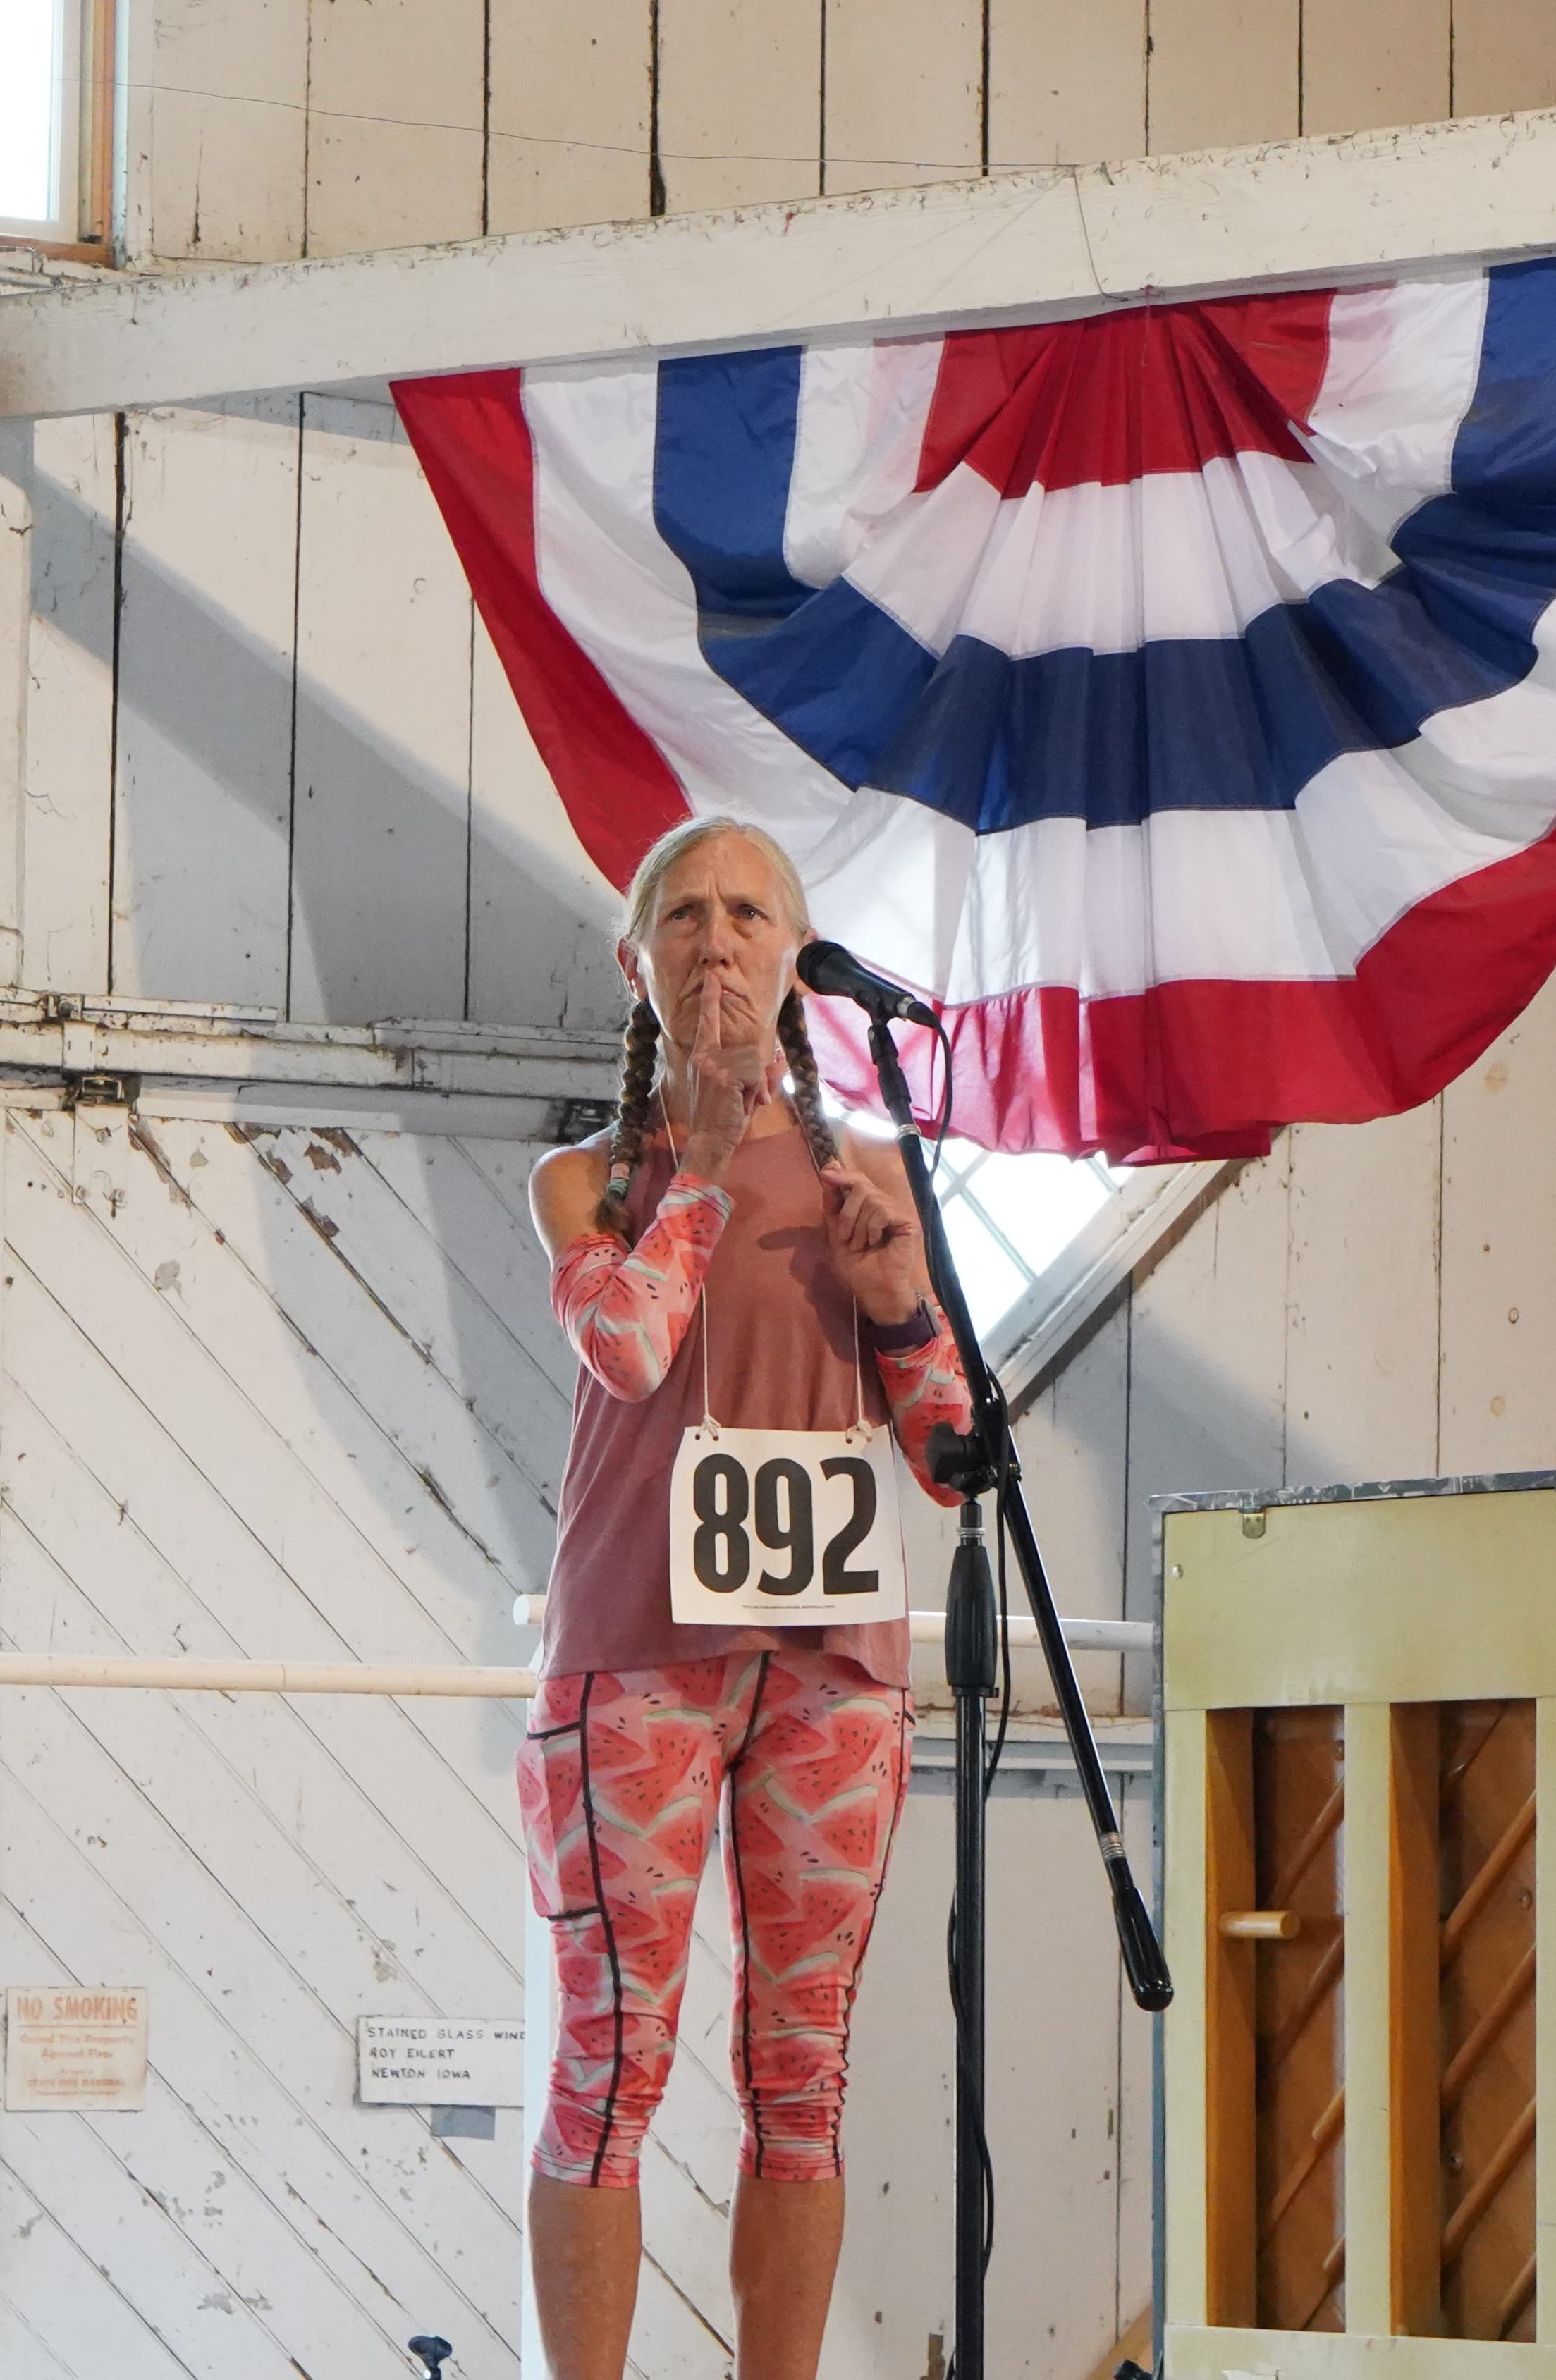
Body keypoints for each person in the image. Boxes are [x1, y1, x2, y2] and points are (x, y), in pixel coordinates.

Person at [518, 814, 972, 2380]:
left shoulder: (874, 1171)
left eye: (750, 914)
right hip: (637, 1664)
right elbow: (631, 1343)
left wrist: (900, 1294)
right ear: (636, 963)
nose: (720, 940)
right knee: (614, 2062)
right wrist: (703, 1165)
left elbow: (953, 1449)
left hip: (831, 1667)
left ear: (796, 960)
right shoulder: (588, 1178)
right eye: (688, 916)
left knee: (803, 2074)